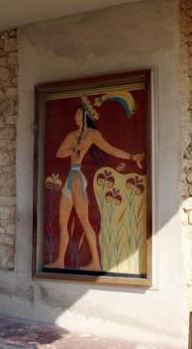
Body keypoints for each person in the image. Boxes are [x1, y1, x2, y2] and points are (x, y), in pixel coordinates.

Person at [46, 103, 144, 271]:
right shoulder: (72, 135)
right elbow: (59, 153)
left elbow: (110, 149)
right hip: (70, 176)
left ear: (85, 116)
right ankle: (60, 261)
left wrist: (131, 156)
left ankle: (96, 264)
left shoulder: (92, 135)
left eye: (78, 114)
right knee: (62, 222)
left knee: (84, 221)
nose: (75, 117)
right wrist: (72, 149)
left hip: (77, 178)